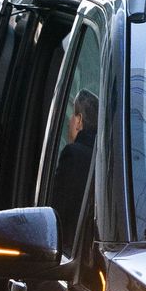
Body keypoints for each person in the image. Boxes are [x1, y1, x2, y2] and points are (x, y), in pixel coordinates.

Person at [48, 88, 98, 245]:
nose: (70, 121)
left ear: (79, 121)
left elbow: (57, 214)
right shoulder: (103, 159)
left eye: (72, 116)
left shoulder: (72, 155)